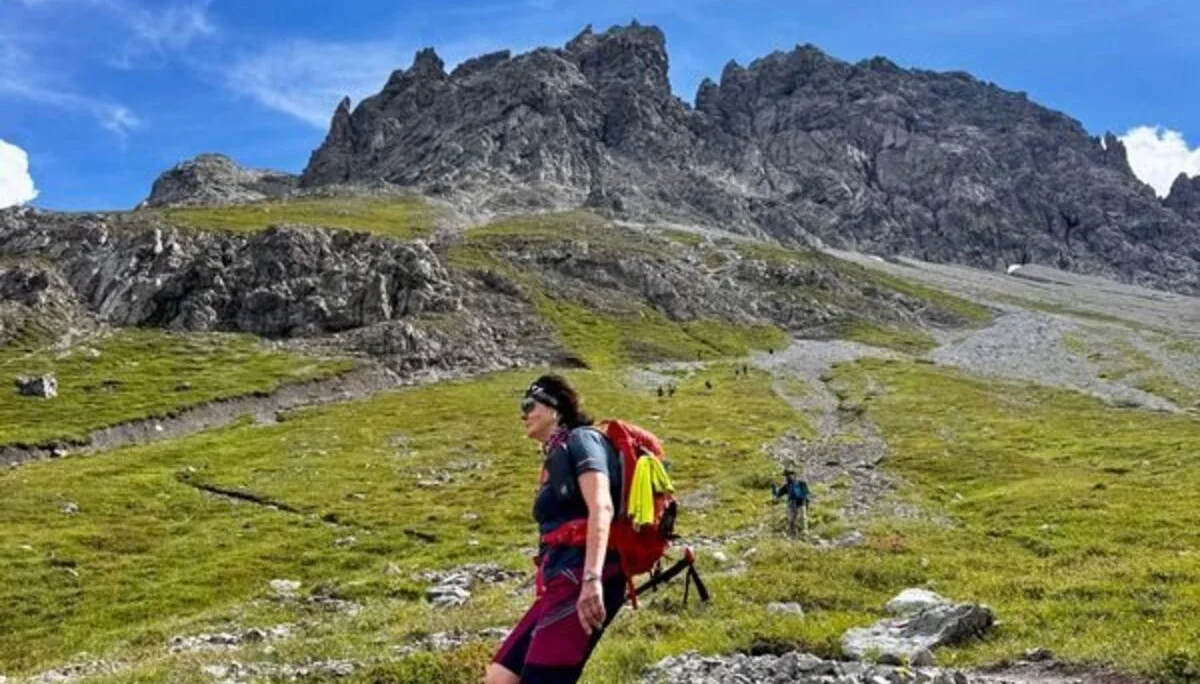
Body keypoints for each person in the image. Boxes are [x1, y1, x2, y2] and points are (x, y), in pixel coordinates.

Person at [486, 375, 627, 684]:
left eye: (528, 405)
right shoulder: (557, 452)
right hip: (561, 578)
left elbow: (601, 507)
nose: (523, 415)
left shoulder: (582, 440)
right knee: (500, 677)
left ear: (554, 409)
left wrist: (592, 580)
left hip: (582, 575)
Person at [772, 469, 810, 538]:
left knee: (801, 518)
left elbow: (806, 495)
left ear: (794, 475)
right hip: (793, 504)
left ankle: (803, 534)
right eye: (786, 476)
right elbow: (778, 495)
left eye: (788, 475)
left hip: (799, 503)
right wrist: (774, 489)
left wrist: (806, 504)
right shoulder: (787, 486)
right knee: (792, 520)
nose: (787, 477)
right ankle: (794, 535)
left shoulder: (801, 483)